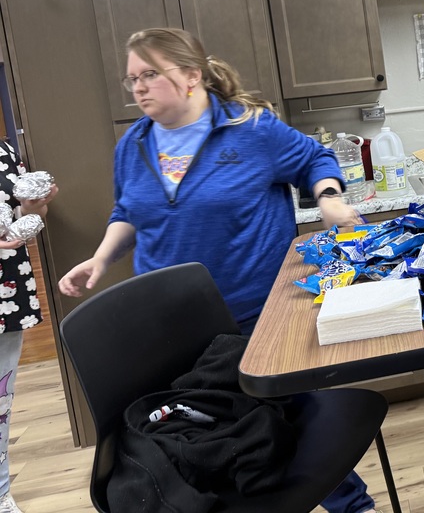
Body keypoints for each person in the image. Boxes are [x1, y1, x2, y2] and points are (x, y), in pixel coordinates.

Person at [57, 28, 376, 513]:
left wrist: (329, 200)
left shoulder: (252, 130)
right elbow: (128, 211)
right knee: (210, 429)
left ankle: (353, 506)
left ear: (191, 76)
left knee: (293, 420)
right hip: (173, 327)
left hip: (255, 317)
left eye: (149, 74)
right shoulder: (133, 144)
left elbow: (315, 158)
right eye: (132, 79)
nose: (138, 87)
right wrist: (102, 257)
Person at [0, 138, 58, 513]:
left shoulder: (5, 153)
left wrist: (32, 208)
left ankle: (0, 491)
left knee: (0, 399)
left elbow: (20, 217)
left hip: (5, 294)